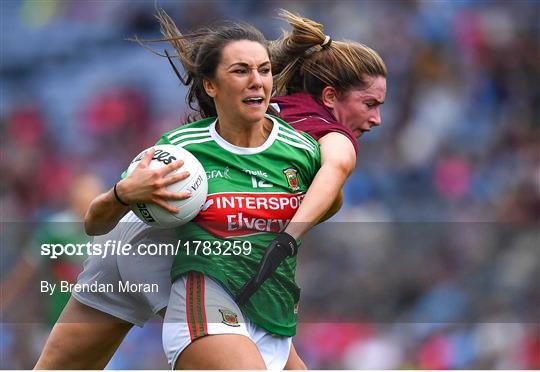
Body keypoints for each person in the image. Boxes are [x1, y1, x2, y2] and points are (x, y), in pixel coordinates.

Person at [34, 8, 386, 370]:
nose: (376, 119)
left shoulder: (285, 122)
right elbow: (336, 171)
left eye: (263, 71)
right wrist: (124, 193)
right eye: (369, 104)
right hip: (169, 256)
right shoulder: (324, 137)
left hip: (146, 248)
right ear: (330, 96)